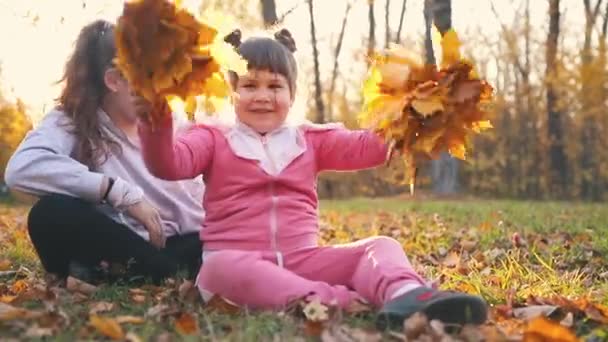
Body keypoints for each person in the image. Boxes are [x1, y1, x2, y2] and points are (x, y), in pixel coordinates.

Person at [136, 28, 488, 329]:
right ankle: (334, 302)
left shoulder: (310, 140)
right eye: (249, 85)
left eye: (275, 86)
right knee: (219, 269)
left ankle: (405, 293)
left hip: (304, 260)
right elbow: (168, 164)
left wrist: (414, 117)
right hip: (237, 264)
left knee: (380, 246)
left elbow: (372, 147)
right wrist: (154, 119)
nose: (262, 95)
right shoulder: (212, 137)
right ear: (232, 92)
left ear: (292, 94)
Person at [4, 19, 204, 284]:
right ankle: (147, 272)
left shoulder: (174, 123)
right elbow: (22, 169)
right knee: (49, 213)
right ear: (114, 80)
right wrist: (117, 192)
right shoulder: (72, 120)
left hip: (187, 244)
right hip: (123, 244)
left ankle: (156, 273)